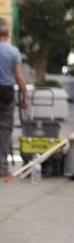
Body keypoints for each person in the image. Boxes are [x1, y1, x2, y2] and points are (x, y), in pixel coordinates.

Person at [0, 18, 28, 177]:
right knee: (4, 129)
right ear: (7, 33)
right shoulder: (13, 51)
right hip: (6, 93)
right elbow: (20, 78)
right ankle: (2, 167)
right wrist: (25, 97)